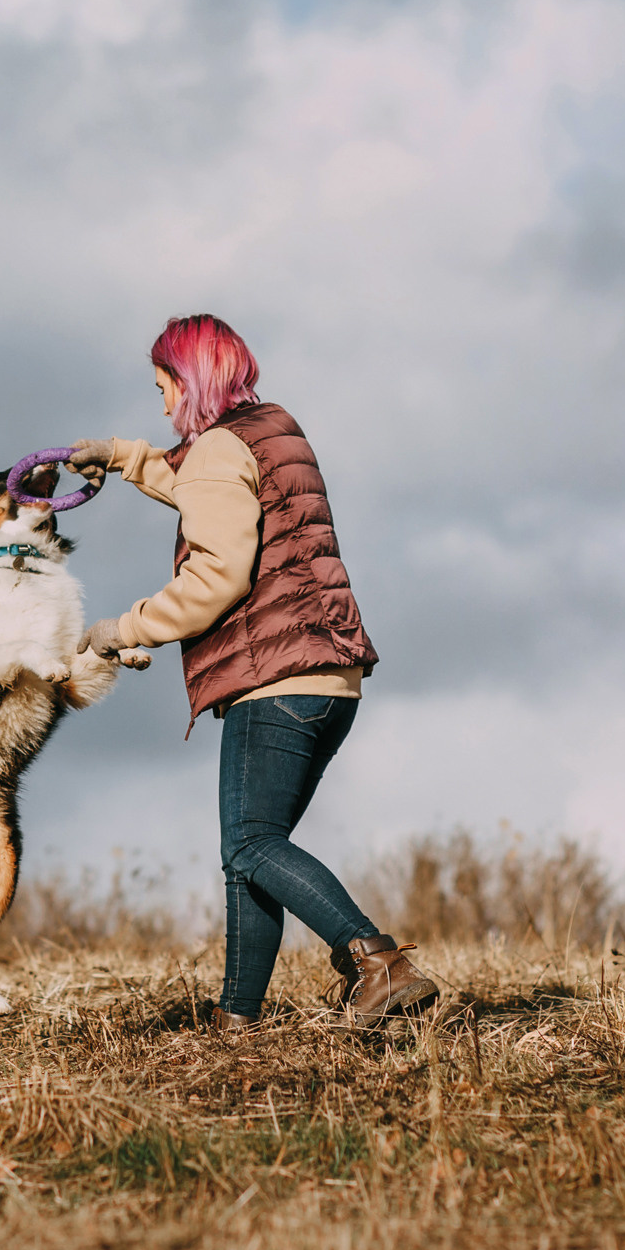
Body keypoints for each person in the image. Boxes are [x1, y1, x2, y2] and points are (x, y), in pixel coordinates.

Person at [68, 314, 436, 1031]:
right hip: (329, 676)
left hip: (275, 681)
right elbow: (204, 483)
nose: (163, 408)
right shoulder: (272, 430)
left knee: (251, 844)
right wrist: (119, 457)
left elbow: (216, 577)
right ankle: (236, 1019)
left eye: (163, 389)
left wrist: (124, 628)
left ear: (188, 380)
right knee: (253, 852)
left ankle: (378, 961)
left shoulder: (216, 449)